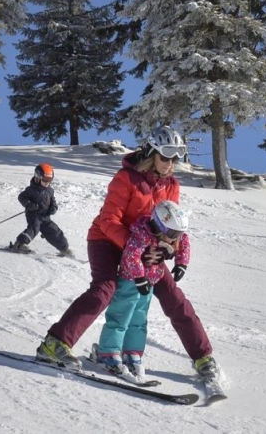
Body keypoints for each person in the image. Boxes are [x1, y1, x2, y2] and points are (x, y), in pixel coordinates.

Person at [35, 126, 219, 379]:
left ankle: (203, 358)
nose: (170, 163)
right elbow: (109, 220)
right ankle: (54, 344)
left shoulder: (171, 185)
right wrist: (138, 248)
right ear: (151, 153)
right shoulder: (126, 179)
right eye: (165, 157)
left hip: (144, 247)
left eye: (175, 158)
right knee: (105, 289)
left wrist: (167, 249)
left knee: (173, 296)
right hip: (105, 240)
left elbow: (169, 225)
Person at [93, 200, 191, 382]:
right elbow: (132, 256)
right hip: (130, 281)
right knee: (120, 317)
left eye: (178, 233)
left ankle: (132, 353)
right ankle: (108, 352)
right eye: (172, 233)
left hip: (150, 282)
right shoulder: (141, 235)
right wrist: (139, 278)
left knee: (139, 319)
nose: (175, 238)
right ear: (160, 224)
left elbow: (184, 243)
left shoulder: (172, 236)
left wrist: (181, 264)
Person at [10, 163, 71, 256]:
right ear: (37, 178)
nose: (47, 182)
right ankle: (19, 244)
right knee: (34, 228)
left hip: (45, 217)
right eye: (45, 180)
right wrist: (29, 205)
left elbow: (52, 200)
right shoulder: (31, 190)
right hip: (34, 215)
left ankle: (64, 249)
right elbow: (21, 197)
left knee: (54, 231)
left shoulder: (50, 190)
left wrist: (53, 207)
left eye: (50, 180)